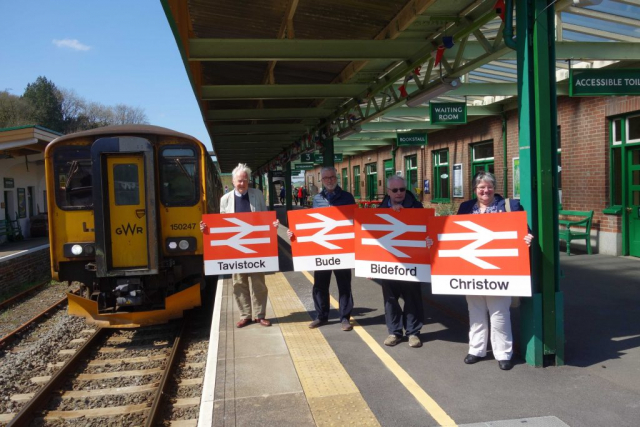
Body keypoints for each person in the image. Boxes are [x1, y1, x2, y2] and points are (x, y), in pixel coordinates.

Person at [456, 171, 533, 370]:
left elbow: (524, 230)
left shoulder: (509, 206)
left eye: (489, 186)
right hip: (471, 268)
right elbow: (455, 234)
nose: (485, 190)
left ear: (494, 188)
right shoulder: (465, 207)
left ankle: (503, 353)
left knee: (499, 313)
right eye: (481, 187)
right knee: (476, 311)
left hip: (500, 269)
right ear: (475, 189)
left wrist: (528, 238)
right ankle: (476, 349)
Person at [200, 163, 279, 329]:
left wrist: (273, 225)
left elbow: (265, 217)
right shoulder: (225, 200)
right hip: (235, 248)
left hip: (255, 247)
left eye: (244, 180)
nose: (242, 184)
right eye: (239, 181)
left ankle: (260, 315)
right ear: (233, 181)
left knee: (259, 282)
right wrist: (207, 228)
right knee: (238, 283)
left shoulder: (257, 194)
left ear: (248, 180)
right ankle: (245, 315)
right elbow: (222, 224)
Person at [287, 167, 356, 331]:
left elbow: (356, 221)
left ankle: (345, 318)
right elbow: (311, 223)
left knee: (344, 284)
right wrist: (294, 232)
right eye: (326, 178)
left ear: (336, 178)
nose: (330, 180)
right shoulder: (317, 199)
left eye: (332, 177)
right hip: (322, 249)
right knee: (320, 284)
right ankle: (321, 316)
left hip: (342, 249)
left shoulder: (347, 198)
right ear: (322, 181)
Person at [374, 175, 425, 348]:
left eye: (402, 189)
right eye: (394, 190)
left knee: (412, 298)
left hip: (411, 262)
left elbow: (426, 231)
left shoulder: (417, 207)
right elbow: (371, 237)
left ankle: (413, 333)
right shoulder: (379, 209)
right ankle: (394, 332)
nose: (399, 193)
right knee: (390, 299)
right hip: (387, 263)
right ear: (388, 192)